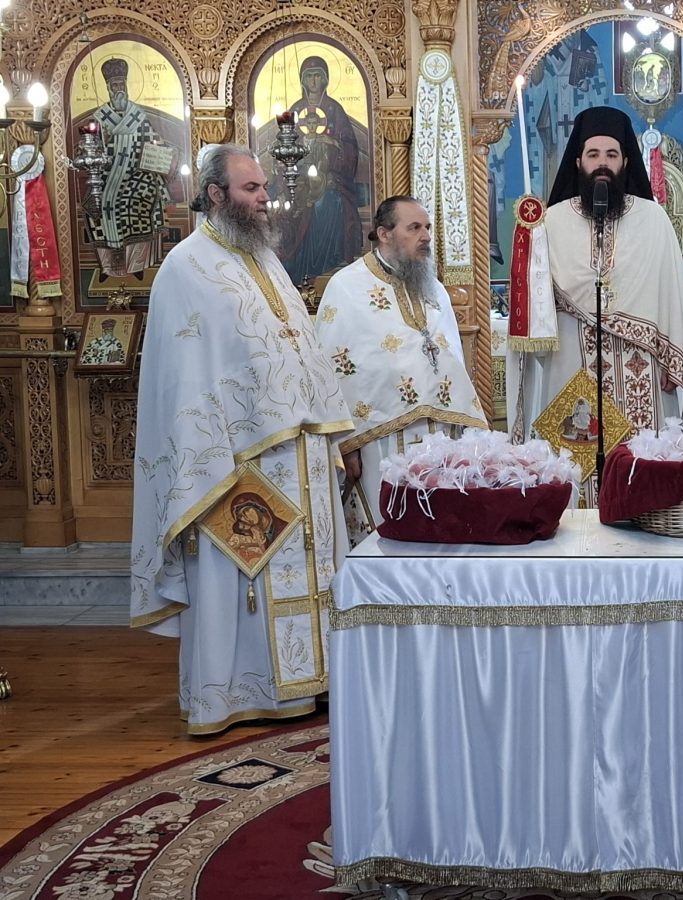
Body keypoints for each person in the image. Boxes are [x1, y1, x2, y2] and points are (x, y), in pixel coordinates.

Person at [130, 144, 354, 736]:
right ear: (215, 194)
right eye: (251, 189)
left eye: (263, 187)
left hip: (297, 452)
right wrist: (212, 453)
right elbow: (184, 379)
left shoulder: (264, 258)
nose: (264, 198)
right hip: (233, 464)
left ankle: (315, 682)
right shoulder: (185, 268)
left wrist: (325, 434)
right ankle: (236, 693)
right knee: (245, 576)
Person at [506, 107, 683, 466]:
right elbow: (536, 303)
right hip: (570, 361)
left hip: (641, 366)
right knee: (573, 466)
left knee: (640, 468)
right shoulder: (551, 222)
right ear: (578, 161)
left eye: (611, 154)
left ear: (625, 162)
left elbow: (674, 296)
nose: (602, 163)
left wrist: (674, 360)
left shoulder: (653, 220)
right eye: (593, 154)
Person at [315, 196, 486, 537]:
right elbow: (332, 371)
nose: (426, 236)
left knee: (441, 529)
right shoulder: (347, 288)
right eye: (414, 228)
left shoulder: (433, 288)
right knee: (387, 532)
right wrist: (344, 445)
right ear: (384, 234)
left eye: (427, 228)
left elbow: (451, 357)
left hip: (441, 437)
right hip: (379, 439)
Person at [84, 58, 174, 279]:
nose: (119, 90)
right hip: (107, 177)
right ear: (108, 88)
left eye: (122, 85)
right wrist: (99, 143)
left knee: (137, 204)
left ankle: (137, 264)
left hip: (138, 176)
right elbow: (86, 148)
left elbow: (154, 141)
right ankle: (108, 267)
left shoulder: (138, 116)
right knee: (96, 208)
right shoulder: (101, 118)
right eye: (114, 85)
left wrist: (158, 151)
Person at [278, 56, 362, 284]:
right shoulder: (295, 110)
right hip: (298, 178)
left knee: (328, 203)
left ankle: (327, 265)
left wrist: (331, 147)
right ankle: (297, 269)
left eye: (317, 76)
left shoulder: (335, 109)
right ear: (302, 81)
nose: (313, 81)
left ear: (325, 79)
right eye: (309, 76)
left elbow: (349, 147)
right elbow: (283, 146)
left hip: (332, 178)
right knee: (290, 207)